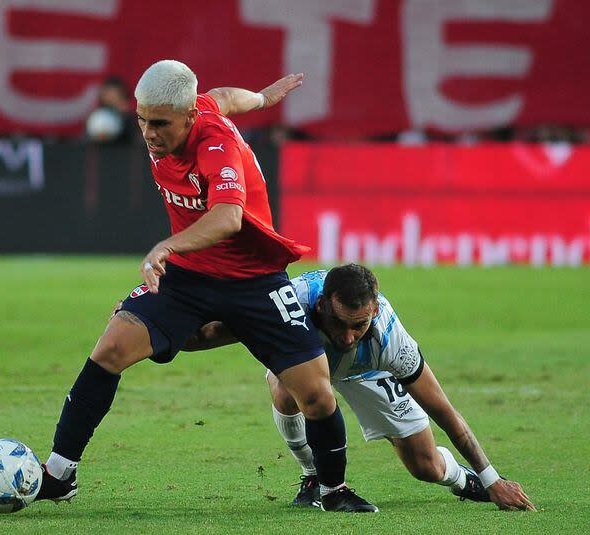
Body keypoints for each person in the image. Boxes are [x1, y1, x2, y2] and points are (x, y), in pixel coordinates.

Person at [34, 60, 377, 513]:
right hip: (189, 280)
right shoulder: (198, 107)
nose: (149, 133)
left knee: (314, 394)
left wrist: (164, 247)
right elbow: (226, 95)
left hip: (255, 281)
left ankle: (332, 491)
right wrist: (262, 97)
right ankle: (59, 475)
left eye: (159, 123)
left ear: (189, 117)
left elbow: (228, 218)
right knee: (110, 349)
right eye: (141, 120)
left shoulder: (215, 145)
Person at [182, 264, 536, 512]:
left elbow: (443, 409)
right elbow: (218, 330)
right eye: (340, 323)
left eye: (360, 325)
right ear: (321, 305)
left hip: (368, 371)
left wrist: (491, 478)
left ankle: (464, 481)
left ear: (374, 311)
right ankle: (312, 477)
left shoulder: (392, 340)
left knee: (426, 466)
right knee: (286, 388)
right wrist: (159, 333)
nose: (348, 336)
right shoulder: (290, 307)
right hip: (307, 366)